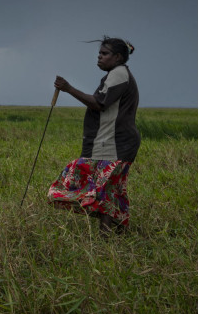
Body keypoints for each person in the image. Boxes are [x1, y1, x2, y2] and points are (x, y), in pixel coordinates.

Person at [48, 36, 140, 234]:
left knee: (102, 188)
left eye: (104, 54)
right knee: (108, 190)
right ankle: (111, 233)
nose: (99, 57)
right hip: (110, 142)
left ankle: (106, 235)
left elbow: (99, 103)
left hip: (115, 143)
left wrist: (68, 88)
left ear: (117, 57)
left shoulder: (118, 73)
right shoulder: (116, 74)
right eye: (99, 53)